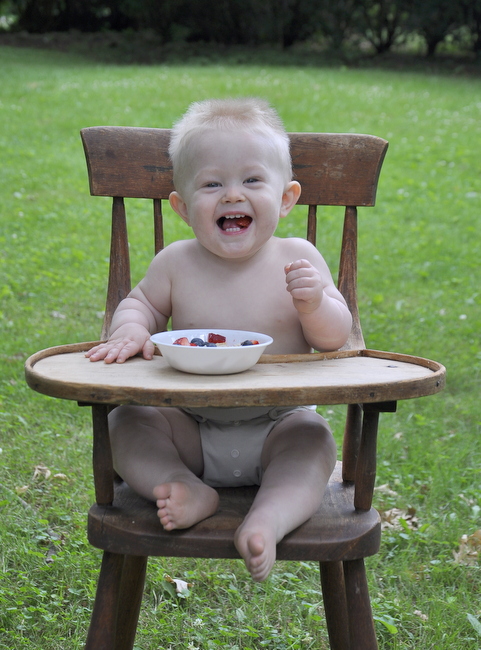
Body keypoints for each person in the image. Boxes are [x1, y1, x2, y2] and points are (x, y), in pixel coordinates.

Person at [86, 97, 352, 581]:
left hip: (279, 423)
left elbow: (337, 339)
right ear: (183, 208)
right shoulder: (175, 263)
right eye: (212, 184)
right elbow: (138, 303)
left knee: (312, 441)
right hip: (188, 422)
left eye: (252, 180)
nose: (232, 195)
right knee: (126, 422)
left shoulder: (298, 257)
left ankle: (269, 517)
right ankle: (181, 484)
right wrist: (130, 328)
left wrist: (315, 305)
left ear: (287, 197)